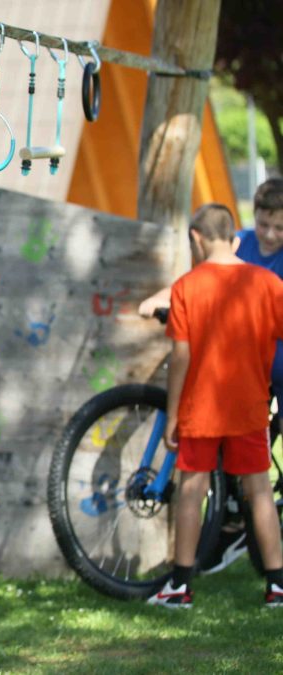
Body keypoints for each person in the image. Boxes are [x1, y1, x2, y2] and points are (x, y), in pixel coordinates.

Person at [139, 178, 283, 574]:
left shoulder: (187, 286)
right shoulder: (269, 283)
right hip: (252, 399)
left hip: (203, 406)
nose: (270, 235)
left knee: (191, 488)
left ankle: (181, 582)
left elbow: (180, 357)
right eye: (264, 226)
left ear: (197, 239)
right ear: (237, 240)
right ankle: (276, 581)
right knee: (259, 491)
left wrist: (172, 416)